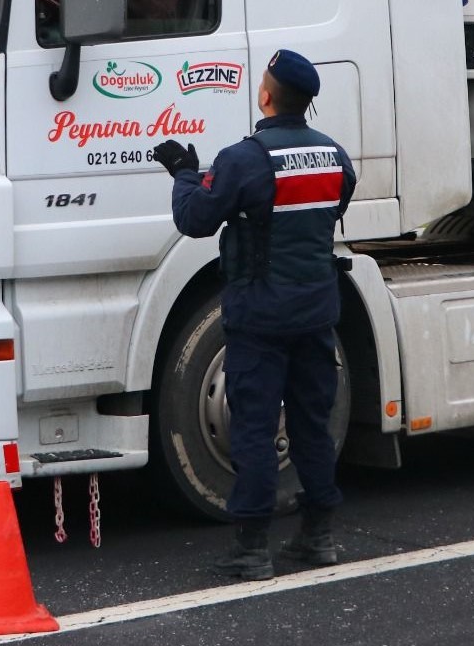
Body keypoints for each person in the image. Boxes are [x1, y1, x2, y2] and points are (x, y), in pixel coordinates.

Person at [152, 50, 358, 581]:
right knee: (313, 424)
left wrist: (182, 173)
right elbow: (333, 208)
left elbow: (195, 219)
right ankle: (319, 537)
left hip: (260, 316)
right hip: (317, 312)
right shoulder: (335, 156)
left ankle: (251, 547)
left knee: (254, 427)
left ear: (265, 96)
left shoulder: (246, 159)